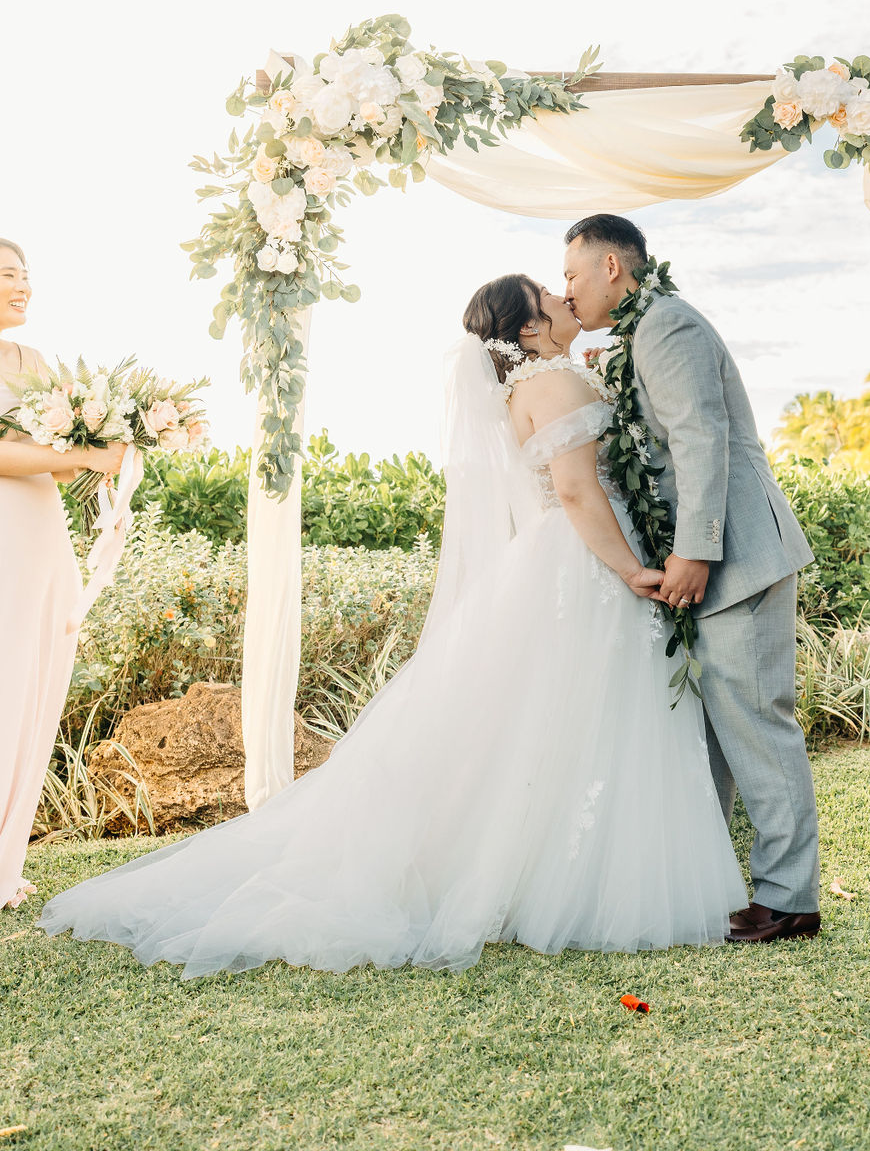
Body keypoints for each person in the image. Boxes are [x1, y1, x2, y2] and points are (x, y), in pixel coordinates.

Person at [39, 275, 747, 976]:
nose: (565, 299)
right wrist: (630, 569)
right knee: (582, 712)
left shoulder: (539, 382)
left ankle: (551, 869)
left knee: (554, 720)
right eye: (549, 296)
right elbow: (573, 488)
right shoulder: (553, 384)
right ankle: (577, 879)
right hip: (584, 559)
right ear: (529, 329)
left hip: (559, 557)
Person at [563, 214, 821, 944]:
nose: (567, 290)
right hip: (717, 559)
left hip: (736, 556)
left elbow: (701, 439)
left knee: (757, 724)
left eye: (573, 276)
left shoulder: (666, 325)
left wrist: (694, 550)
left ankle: (791, 898)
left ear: (614, 267)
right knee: (715, 733)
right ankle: (730, 884)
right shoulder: (639, 333)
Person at [0, 239, 125, 910]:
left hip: (41, 528)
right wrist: (81, 454)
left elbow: (60, 460)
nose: (23, 286)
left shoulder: (36, 361)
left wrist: (112, 449)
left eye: (25, 274)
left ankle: (5, 854)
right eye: (8, 275)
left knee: (40, 669)